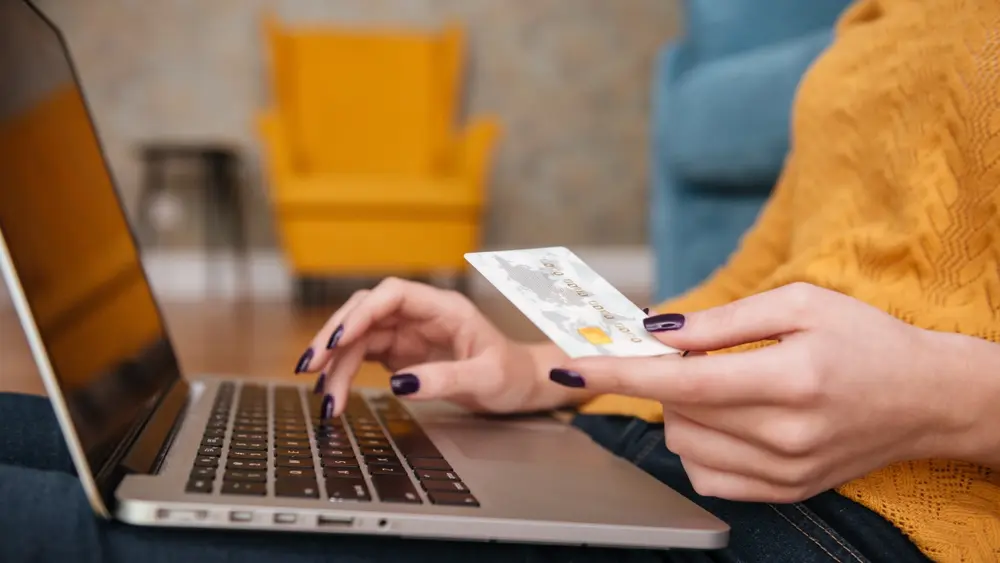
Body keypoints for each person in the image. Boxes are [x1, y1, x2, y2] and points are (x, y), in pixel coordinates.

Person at [2, 0, 999, 561]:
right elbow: (768, 263)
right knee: (92, 443)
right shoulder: (879, 11)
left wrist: (953, 402)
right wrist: (536, 370)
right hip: (632, 442)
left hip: (867, 528)